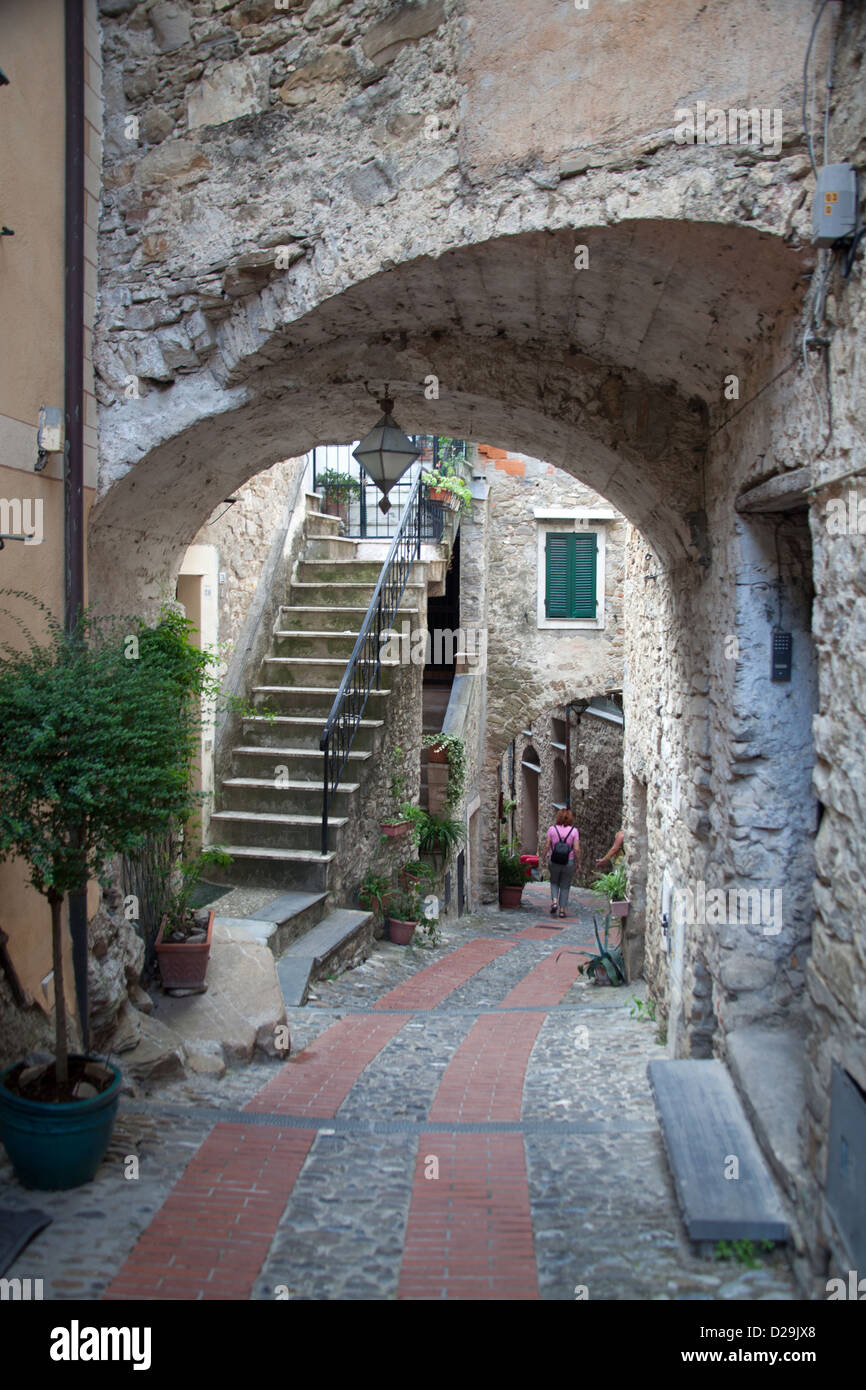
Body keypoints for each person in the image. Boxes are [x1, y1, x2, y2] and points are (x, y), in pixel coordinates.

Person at [545, 808, 580, 918]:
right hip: (568, 861)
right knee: (565, 885)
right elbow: (577, 849)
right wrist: (579, 862)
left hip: (554, 860)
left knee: (554, 881)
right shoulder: (574, 831)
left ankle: (554, 901)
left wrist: (542, 857)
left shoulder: (552, 829)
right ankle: (562, 910)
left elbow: (547, 845)